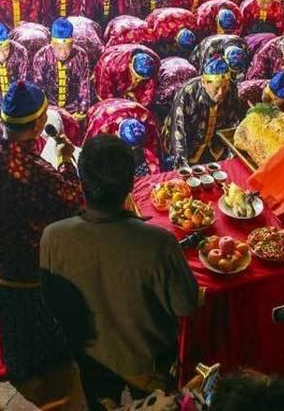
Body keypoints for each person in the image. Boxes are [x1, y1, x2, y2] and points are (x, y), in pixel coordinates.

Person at [41, 134, 198, 407]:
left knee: (100, 403)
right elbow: (186, 305)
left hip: (91, 356)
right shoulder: (159, 243)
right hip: (149, 362)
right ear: (131, 184)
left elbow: (53, 303)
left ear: (81, 183)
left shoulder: (53, 237)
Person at [0, 80, 84, 407]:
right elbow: (72, 200)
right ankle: (49, 372)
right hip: (32, 260)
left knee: (10, 316)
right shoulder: (34, 169)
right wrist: (66, 162)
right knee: (41, 316)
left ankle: (18, 367)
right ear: (36, 124)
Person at [162, 57, 245, 167]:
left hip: (211, 146)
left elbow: (233, 122)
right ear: (204, 82)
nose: (221, 93)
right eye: (216, 88)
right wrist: (181, 162)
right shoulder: (188, 93)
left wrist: (232, 153)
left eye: (225, 87)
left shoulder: (232, 90)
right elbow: (178, 129)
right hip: (185, 144)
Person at [32, 18, 93, 117]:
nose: (63, 53)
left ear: (72, 44)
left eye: (67, 48)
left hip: (74, 110)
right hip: (49, 110)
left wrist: (82, 110)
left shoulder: (80, 55)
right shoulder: (41, 56)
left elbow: (84, 85)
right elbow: (38, 88)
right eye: (59, 48)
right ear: (52, 44)